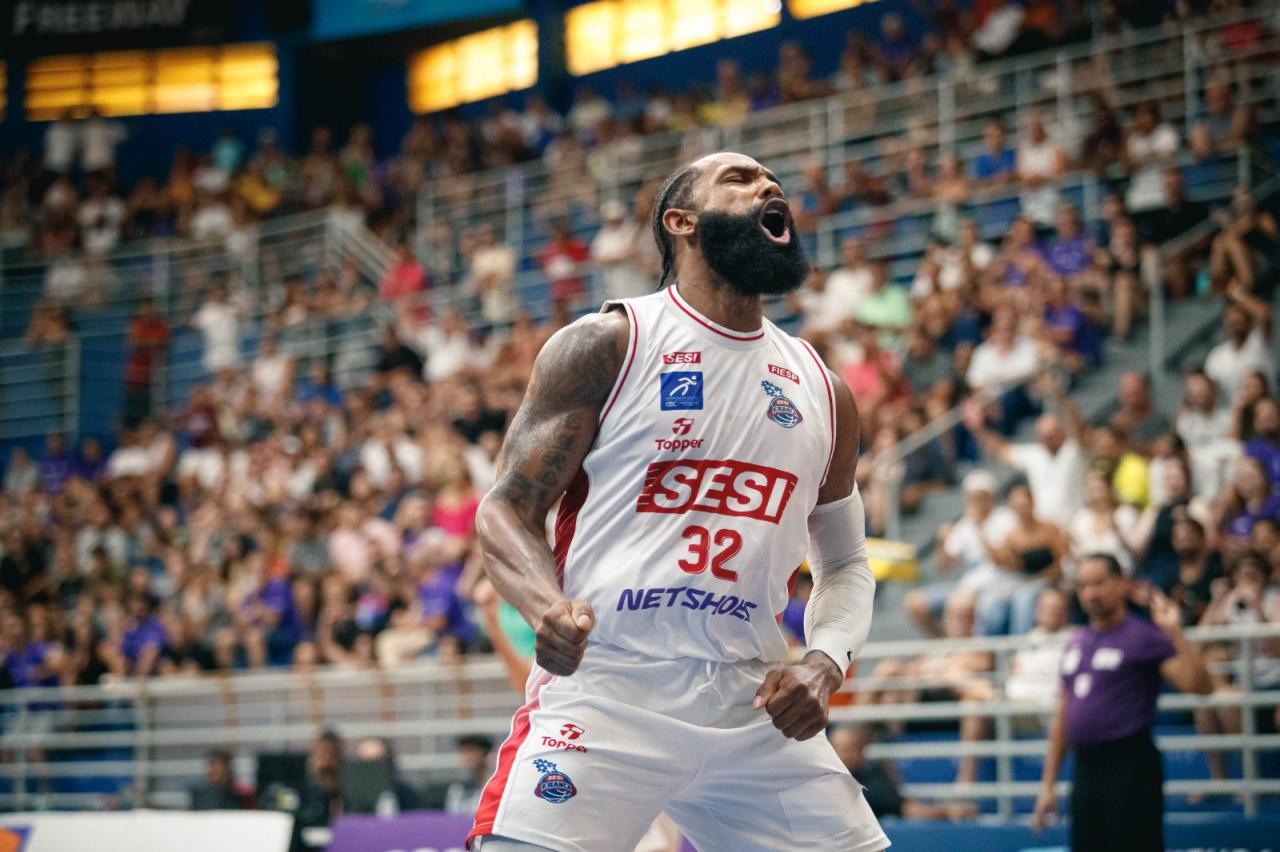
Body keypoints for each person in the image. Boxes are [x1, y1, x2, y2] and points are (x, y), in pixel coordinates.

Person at [469, 152, 884, 851]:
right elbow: (506, 508)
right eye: (741, 180)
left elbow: (845, 562)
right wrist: (545, 608)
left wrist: (825, 661)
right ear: (681, 221)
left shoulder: (823, 389)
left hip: (753, 700)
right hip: (610, 687)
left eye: (772, 182)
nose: (768, 186)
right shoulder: (610, 343)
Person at [1032, 554, 1212, 851]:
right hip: (1086, 768)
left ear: (1121, 584)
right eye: (1084, 586)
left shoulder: (1142, 636)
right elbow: (1063, 713)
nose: (1091, 594)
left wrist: (1175, 633)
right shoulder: (1077, 641)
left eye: (1099, 583)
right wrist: (1048, 785)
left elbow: (1199, 687)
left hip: (1130, 766)